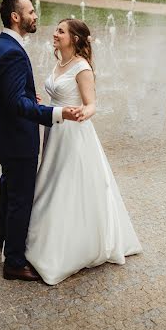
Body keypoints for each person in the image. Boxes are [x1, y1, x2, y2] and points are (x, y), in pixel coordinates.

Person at [25, 18, 142, 285]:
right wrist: (38, 101)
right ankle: (42, 239)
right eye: (56, 29)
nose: (55, 34)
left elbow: (91, 105)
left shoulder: (82, 67)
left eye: (61, 31)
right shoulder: (60, 62)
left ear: (75, 38)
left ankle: (71, 247)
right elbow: (57, 92)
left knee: (68, 185)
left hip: (73, 133)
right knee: (51, 181)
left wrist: (83, 113)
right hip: (55, 130)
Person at [0, 0, 80, 282]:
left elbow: (8, 95)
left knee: (8, 185)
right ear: (16, 17)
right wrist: (55, 112)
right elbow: (16, 105)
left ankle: (3, 235)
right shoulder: (12, 51)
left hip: (3, 136)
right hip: (17, 138)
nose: (36, 17)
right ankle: (14, 261)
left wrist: (25, 95)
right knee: (21, 197)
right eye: (31, 12)